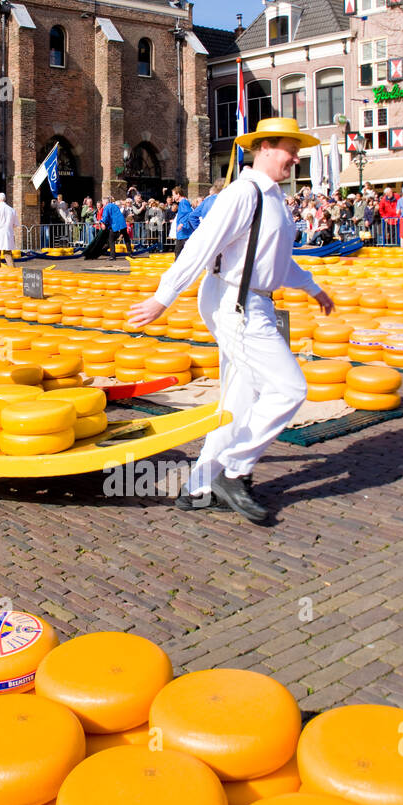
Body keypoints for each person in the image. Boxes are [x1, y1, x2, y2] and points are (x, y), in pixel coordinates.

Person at [127, 116, 334, 525]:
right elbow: (201, 246)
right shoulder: (243, 193)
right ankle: (234, 470)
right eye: (291, 149)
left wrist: (312, 287)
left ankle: (201, 484)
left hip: (250, 300)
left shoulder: (273, 197)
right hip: (235, 304)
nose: (296, 157)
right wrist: (163, 296)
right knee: (290, 387)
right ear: (267, 148)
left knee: (239, 401)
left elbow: (273, 258)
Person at [84, 196, 132, 260]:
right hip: (122, 224)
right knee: (126, 238)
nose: (102, 204)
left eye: (103, 202)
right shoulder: (114, 205)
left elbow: (105, 217)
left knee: (111, 240)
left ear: (106, 202)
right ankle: (130, 253)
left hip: (115, 225)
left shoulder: (107, 207)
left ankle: (112, 256)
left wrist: (102, 222)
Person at [173, 187, 199, 259]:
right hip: (182, 232)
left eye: (174, 195)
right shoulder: (182, 202)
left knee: (179, 252)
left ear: (178, 194)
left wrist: (182, 223)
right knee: (179, 252)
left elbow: (189, 213)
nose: (173, 197)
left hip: (184, 232)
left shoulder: (183, 202)